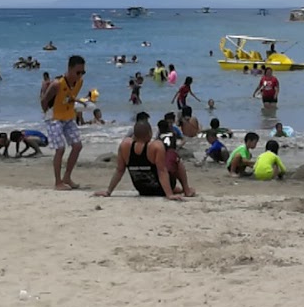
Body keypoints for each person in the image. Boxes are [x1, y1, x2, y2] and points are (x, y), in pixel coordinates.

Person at [95, 119, 194, 199]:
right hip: (160, 190)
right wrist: (169, 195)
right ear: (150, 133)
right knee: (174, 156)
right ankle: (187, 190)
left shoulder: (125, 146)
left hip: (143, 189)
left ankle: (175, 189)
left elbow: (119, 170)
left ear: (134, 134)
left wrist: (108, 191)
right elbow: (162, 171)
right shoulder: (155, 146)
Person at [41, 55, 88, 190]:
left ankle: (67, 176)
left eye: (82, 72)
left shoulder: (79, 82)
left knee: (77, 145)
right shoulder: (57, 84)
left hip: (68, 116)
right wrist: (48, 115)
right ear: (69, 69)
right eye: (77, 72)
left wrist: (78, 102)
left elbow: (69, 96)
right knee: (60, 148)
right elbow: (44, 101)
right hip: (54, 117)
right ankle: (58, 182)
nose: (79, 75)